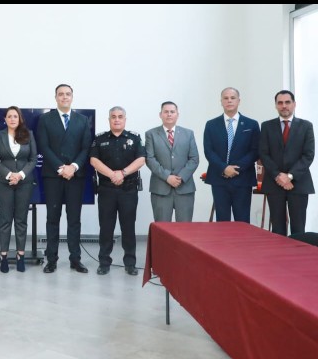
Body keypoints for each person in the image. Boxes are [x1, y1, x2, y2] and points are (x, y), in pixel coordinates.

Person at [36, 84, 93, 274]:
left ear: (72, 97)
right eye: (61, 94)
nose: (64, 97)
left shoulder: (82, 120)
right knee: (52, 218)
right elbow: (44, 146)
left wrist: (73, 167)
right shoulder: (45, 119)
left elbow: (86, 147)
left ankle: (75, 259)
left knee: (74, 219)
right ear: (56, 97)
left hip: (75, 176)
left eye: (68, 94)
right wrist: (61, 168)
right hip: (53, 175)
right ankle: (51, 260)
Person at [89, 106, 146, 276]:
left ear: (125, 119)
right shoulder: (99, 139)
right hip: (106, 189)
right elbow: (94, 160)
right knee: (106, 228)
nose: (117, 119)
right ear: (109, 120)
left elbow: (141, 159)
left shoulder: (134, 138)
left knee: (128, 227)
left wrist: (122, 173)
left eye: (120, 116)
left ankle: (130, 263)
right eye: (113, 116)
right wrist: (113, 175)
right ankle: (104, 262)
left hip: (128, 189)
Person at [259, 90, 315, 235]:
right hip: (274, 183)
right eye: (280, 103)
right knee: (277, 230)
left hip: (299, 183)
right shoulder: (266, 126)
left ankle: (298, 252)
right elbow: (263, 154)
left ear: (294, 104)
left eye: (287, 102)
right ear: (276, 106)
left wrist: (289, 176)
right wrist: (278, 175)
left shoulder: (306, 126)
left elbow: (308, 155)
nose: (284, 106)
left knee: (298, 230)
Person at [0, 106, 37, 274]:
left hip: (24, 183)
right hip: (4, 183)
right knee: (5, 220)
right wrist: (10, 174)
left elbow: (33, 159)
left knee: (21, 220)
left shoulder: (29, 134)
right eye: (9, 116)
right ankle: (3, 256)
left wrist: (20, 175)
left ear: (20, 118)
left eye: (15, 116)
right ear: (5, 119)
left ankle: (20, 256)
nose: (12, 119)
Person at [203, 87, 260, 222]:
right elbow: (209, 151)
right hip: (219, 178)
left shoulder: (251, 124)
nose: (229, 101)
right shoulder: (211, 124)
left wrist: (236, 169)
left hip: (243, 178)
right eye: (226, 98)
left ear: (239, 101)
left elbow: (255, 150)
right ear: (221, 101)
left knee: (242, 220)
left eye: (232, 98)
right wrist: (224, 168)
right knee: (222, 221)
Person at [145, 101, 200, 222]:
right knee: (163, 228)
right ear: (160, 114)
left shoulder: (188, 134)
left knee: (185, 229)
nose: (169, 114)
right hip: (161, 189)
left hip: (184, 188)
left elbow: (194, 159)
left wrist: (180, 177)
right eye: (166, 112)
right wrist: (167, 177)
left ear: (177, 115)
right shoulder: (151, 134)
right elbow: (150, 159)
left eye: (172, 112)